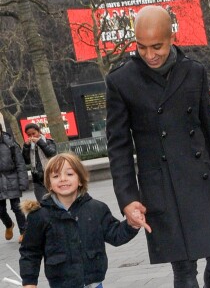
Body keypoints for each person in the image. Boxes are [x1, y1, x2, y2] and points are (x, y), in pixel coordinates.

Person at [105, 5, 210, 288]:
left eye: (157, 46)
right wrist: (128, 198)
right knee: (184, 270)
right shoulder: (121, 81)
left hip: (204, 185)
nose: (150, 54)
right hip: (163, 190)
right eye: (142, 47)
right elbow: (118, 146)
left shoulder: (194, 72)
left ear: (172, 38)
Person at [19, 152, 139, 288]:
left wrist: (131, 224)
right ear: (49, 184)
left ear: (80, 180)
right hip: (61, 284)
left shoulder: (96, 208)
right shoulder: (39, 215)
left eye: (69, 174)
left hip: (94, 282)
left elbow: (115, 234)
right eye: (56, 176)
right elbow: (30, 252)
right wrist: (29, 282)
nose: (63, 179)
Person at [0, 124, 29, 243]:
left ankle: (24, 232)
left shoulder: (10, 143)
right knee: (0, 210)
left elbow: (20, 163)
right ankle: (9, 225)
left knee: (17, 207)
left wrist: (23, 182)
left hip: (12, 178)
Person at [22, 123, 56, 202]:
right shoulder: (29, 145)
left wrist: (40, 142)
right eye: (29, 135)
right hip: (37, 179)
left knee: (55, 201)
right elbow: (26, 161)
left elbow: (52, 153)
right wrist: (26, 147)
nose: (32, 137)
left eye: (34, 133)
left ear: (39, 132)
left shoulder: (48, 141)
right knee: (42, 203)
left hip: (51, 176)